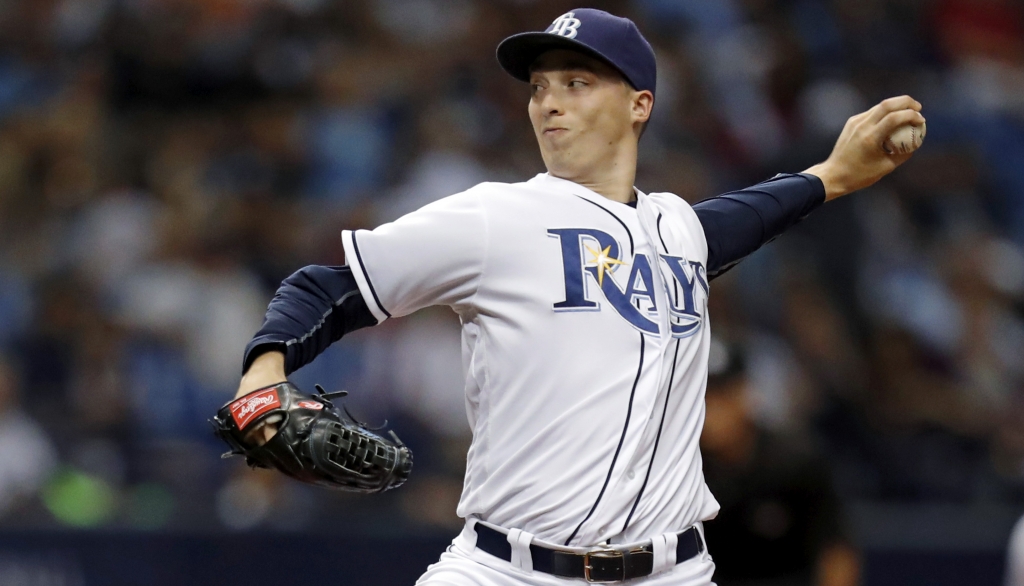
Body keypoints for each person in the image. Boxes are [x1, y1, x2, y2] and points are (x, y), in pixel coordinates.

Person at [230, 9, 924, 585]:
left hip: (670, 571)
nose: (548, 101)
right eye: (538, 87)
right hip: (506, 569)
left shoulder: (677, 228)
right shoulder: (493, 219)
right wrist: (263, 376)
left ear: (639, 104)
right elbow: (327, 286)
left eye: (577, 81)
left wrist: (830, 176)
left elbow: (742, 217)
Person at [700, 339, 858, 586]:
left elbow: (836, 551)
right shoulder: (680, 469)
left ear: (745, 394)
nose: (712, 409)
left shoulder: (795, 460)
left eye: (722, 394)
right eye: (703, 396)